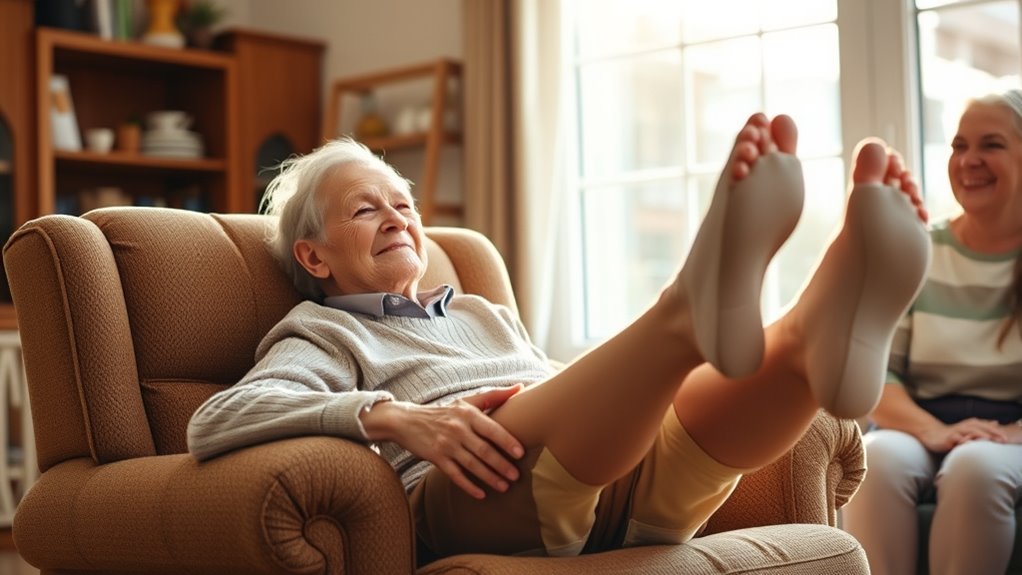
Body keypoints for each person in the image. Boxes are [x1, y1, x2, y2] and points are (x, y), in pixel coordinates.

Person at [187, 112, 931, 558]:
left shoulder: (479, 312)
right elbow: (215, 420)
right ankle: (687, 312)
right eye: (364, 209)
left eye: (404, 204)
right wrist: (395, 418)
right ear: (314, 257)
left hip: (610, 490)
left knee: (689, 415)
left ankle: (807, 339)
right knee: (595, 397)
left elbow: (573, 395)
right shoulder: (322, 329)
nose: (396, 218)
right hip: (479, 490)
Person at [842, 89, 1022, 575]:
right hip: (918, 423)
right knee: (876, 462)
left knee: (976, 469)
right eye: (959, 146)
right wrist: (935, 431)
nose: (969, 160)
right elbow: (880, 374)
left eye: (991, 145)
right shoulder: (917, 248)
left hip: (1012, 434)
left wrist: (1007, 434)